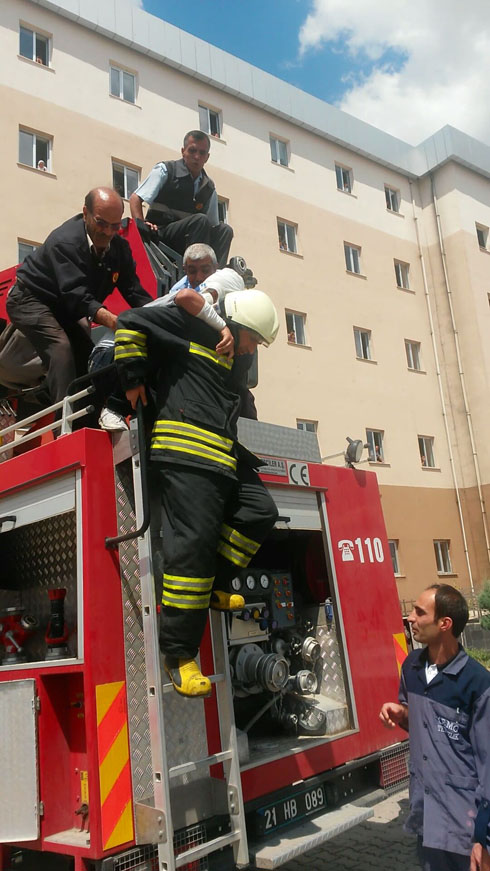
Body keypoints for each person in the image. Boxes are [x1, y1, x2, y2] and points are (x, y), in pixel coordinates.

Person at [114, 288, 280, 698]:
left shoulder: (233, 361)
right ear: (237, 323)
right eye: (252, 339)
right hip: (186, 455)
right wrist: (132, 381)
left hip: (221, 458)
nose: (252, 349)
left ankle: (214, 587)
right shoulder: (189, 325)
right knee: (194, 549)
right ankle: (179, 656)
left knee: (260, 511)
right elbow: (129, 322)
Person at [6, 187, 151, 405]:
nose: (108, 232)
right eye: (101, 223)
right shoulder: (65, 242)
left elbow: (134, 291)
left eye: (115, 225)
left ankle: (89, 417)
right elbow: (78, 296)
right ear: (85, 213)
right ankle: (63, 428)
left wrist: (158, 316)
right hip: (29, 299)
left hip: (64, 306)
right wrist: (115, 322)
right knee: (61, 349)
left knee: (88, 357)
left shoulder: (119, 249)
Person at [380, 584, 490, 871]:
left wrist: (484, 837)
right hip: (427, 815)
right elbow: (421, 725)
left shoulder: (476, 683)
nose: (410, 618)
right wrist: (402, 712)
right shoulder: (411, 668)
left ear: (444, 624)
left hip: (464, 822)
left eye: (419, 612)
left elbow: (488, 761)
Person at [130, 130, 233, 268]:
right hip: (161, 234)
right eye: (192, 151)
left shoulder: (209, 188)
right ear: (183, 151)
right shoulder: (166, 170)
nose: (196, 156)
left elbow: (213, 226)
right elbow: (135, 199)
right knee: (200, 220)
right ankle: (193, 269)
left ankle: (215, 276)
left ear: (207, 157)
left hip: (190, 238)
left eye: (202, 153)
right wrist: (140, 225)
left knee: (225, 230)